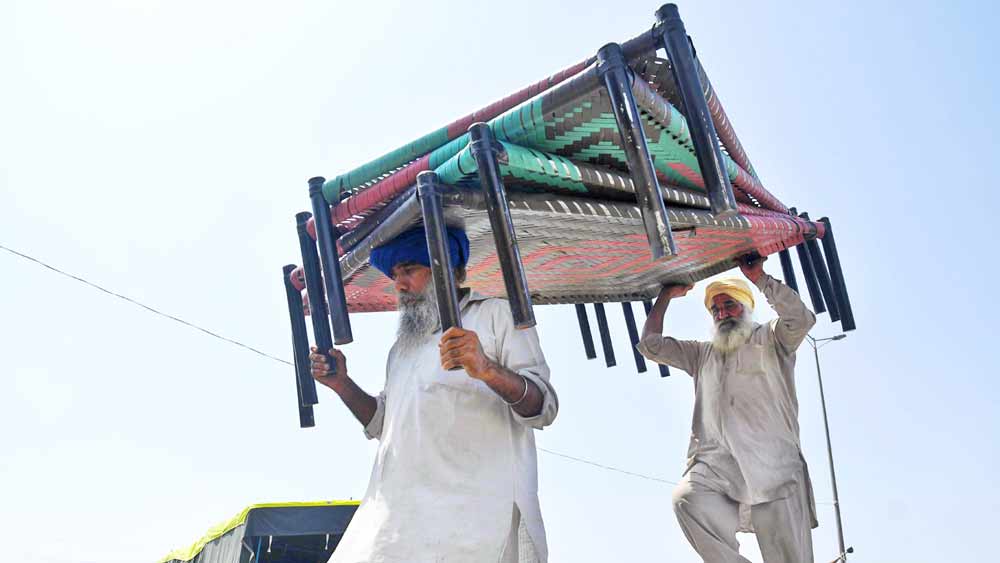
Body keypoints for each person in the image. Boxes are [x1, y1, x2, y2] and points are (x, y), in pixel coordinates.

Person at [309, 226, 558, 563]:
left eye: (409, 270)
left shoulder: (495, 315)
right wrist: (343, 385)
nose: (399, 285)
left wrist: (485, 368)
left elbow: (543, 406)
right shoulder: (402, 348)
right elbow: (386, 424)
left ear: (444, 268)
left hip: (472, 522)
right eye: (395, 274)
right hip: (397, 523)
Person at [638, 255, 818, 563]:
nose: (723, 313)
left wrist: (760, 278)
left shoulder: (771, 338)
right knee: (688, 500)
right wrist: (666, 295)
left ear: (746, 307)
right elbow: (651, 345)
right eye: (716, 309)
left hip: (773, 466)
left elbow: (801, 320)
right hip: (717, 465)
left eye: (730, 305)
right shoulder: (701, 354)